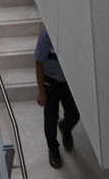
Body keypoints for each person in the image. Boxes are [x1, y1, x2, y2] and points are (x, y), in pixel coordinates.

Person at [34, 28, 80, 170]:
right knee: (50, 119)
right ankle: (53, 149)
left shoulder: (74, 33)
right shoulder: (46, 37)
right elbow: (39, 63)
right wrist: (41, 91)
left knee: (74, 114)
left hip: (68, 82)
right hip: (50, 82)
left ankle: (65, 127)